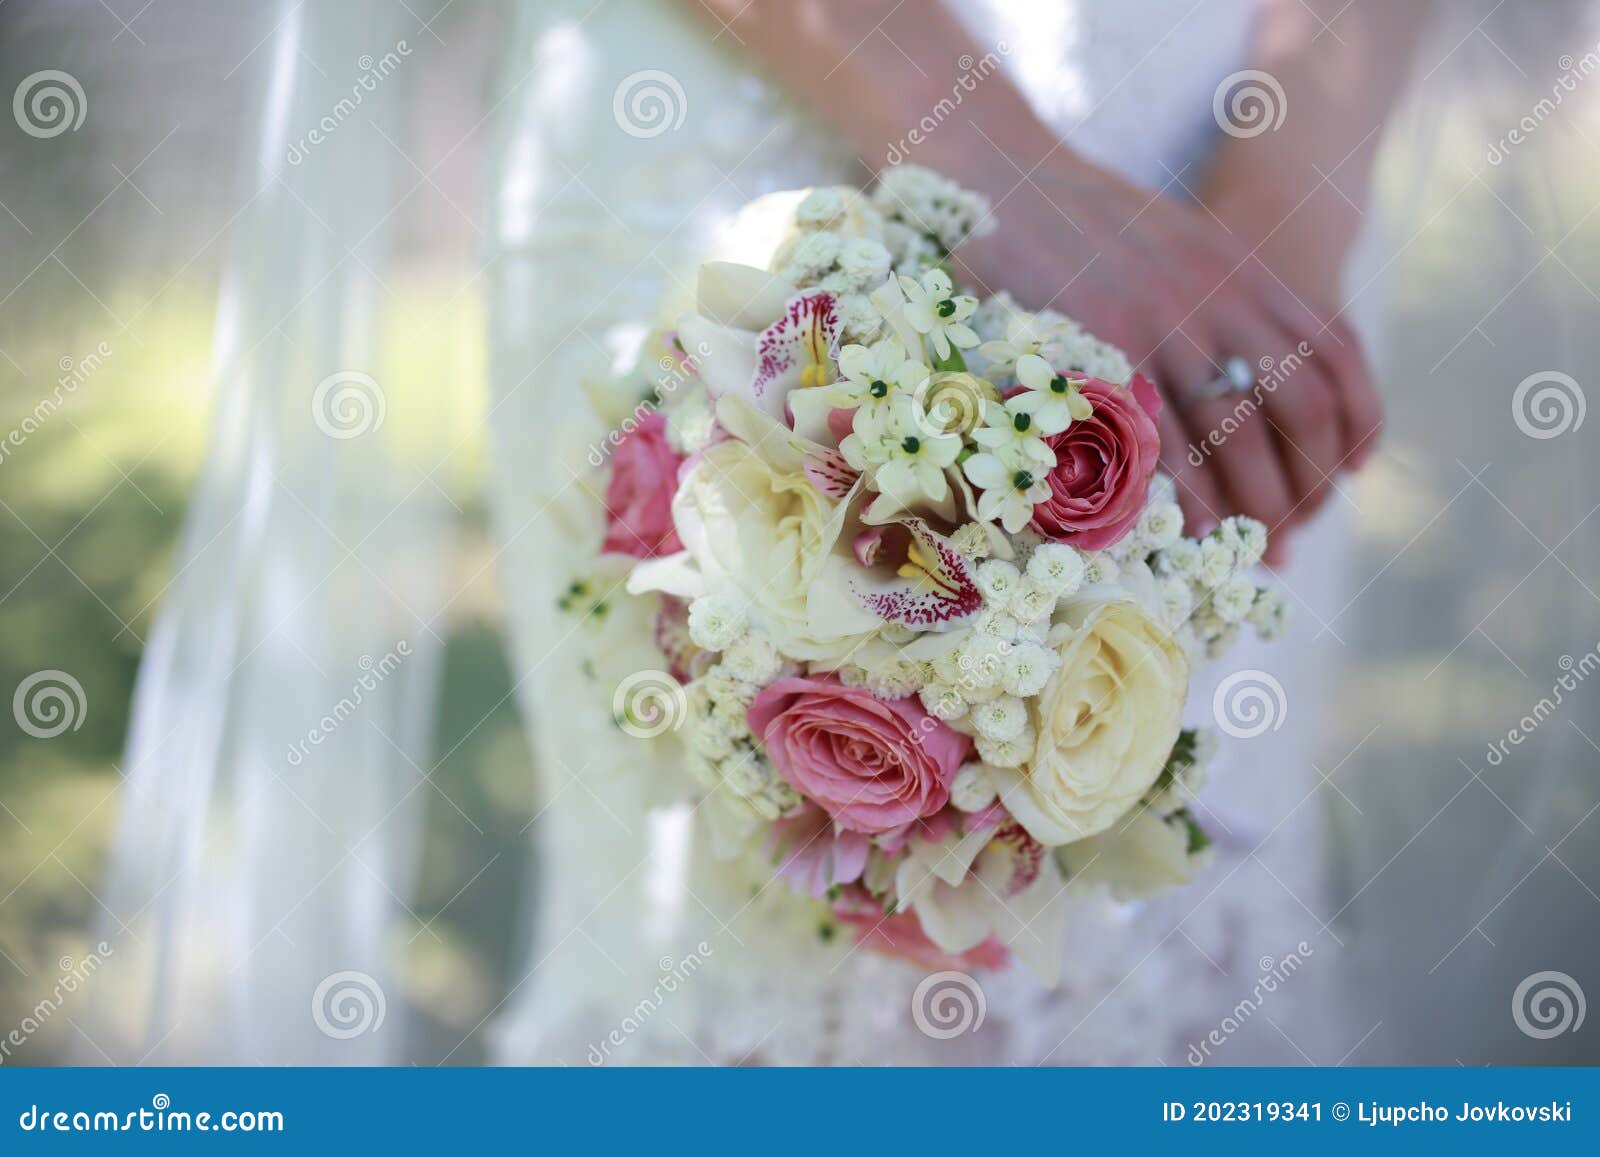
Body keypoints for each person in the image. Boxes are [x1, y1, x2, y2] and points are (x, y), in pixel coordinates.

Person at [482, 0, 1429, 1064]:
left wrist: (1287, 199)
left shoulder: (1253, 255)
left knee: (1185, 922)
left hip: (1216, 156)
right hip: (752, 118)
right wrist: (986, 153)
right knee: (744, 977)